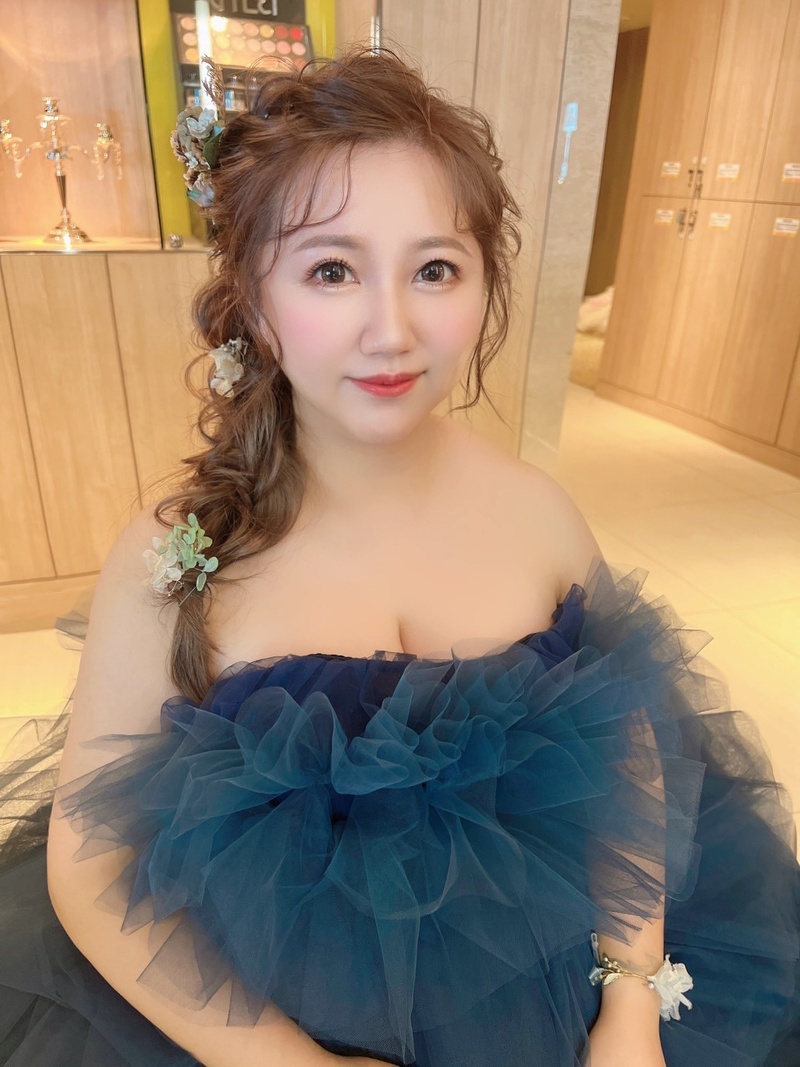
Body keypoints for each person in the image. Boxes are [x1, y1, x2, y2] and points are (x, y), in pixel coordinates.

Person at [0, 49, 797, 1067]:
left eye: (434, 269)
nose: (392, 330)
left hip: (557, 991)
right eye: (331, 270)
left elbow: (628, 766)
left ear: (484, 284)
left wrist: (631, 1008)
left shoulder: (540, 515)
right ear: (252, 299)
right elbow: (90, 869)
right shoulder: (176, 560)